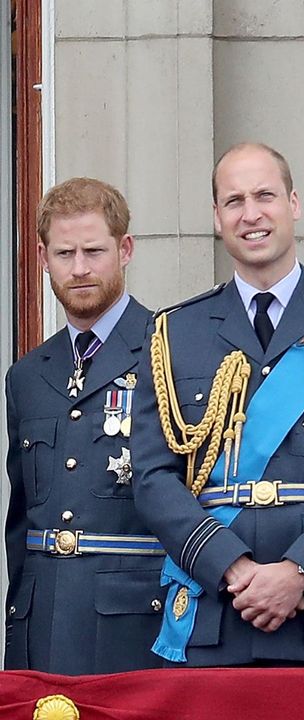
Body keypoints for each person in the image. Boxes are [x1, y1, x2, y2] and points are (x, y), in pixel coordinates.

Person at [129, 142, 304, 666]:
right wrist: (231, 569)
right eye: (233, 200)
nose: (251, 213)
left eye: (265, 195)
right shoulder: (174, 332)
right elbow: (152, 476)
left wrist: (300, 570)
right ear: (217, 218)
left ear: (294, 203)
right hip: (215, 611)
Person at [4, 177, 164, 673]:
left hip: (135, 627)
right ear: (42, 256)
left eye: (94, 251)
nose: (79, 269)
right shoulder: (27, 375)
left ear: (125, 249)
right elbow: (22, 523)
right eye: (64, 253)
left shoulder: (170, 352)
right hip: (42, 626)